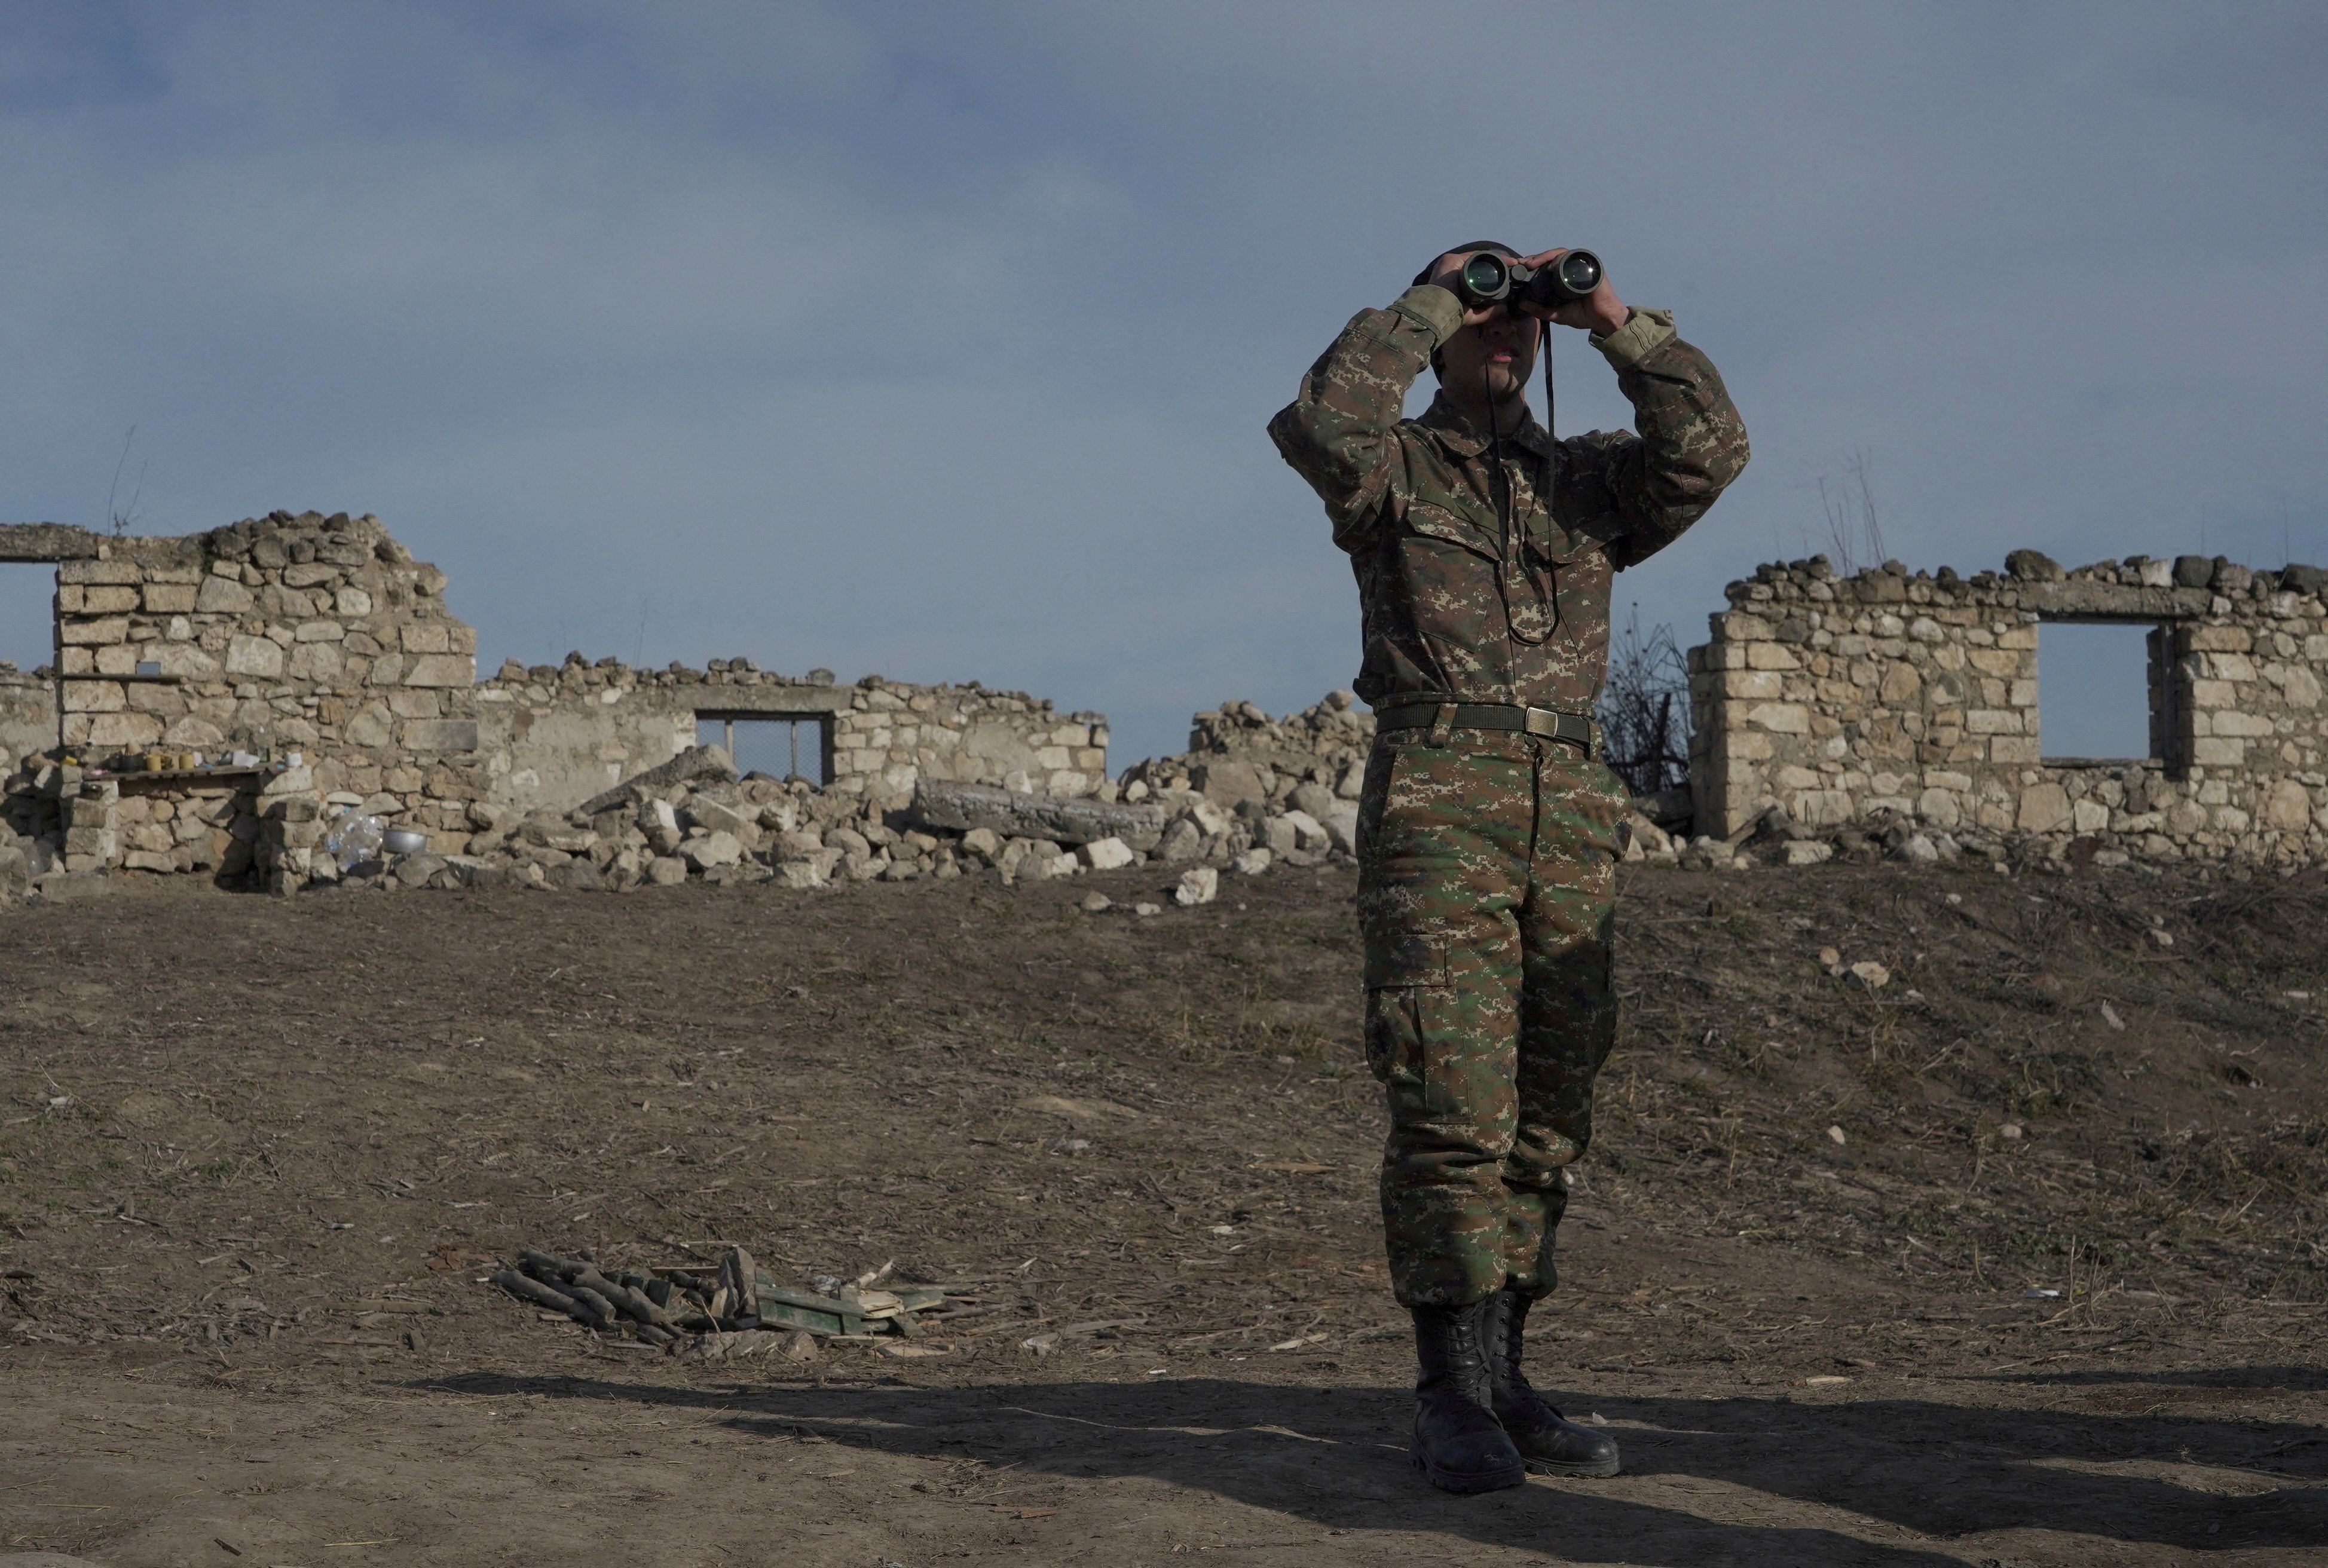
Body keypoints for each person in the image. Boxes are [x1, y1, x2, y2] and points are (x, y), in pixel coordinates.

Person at [1267, 243, 1749, 1493]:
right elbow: (1324, 420)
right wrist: (1435, 291)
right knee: (1449, 1099)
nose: (1502, 334)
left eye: (1515, 322)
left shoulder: (1586, 483)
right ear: (1438, 335)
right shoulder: (1392, 469)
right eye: (1483, 319)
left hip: (1571, 818)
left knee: (1550, 1109)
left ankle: (1507, 1371)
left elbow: (1710, 450)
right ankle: (1448, 1392)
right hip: (1439, 808)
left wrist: (1607, 318)